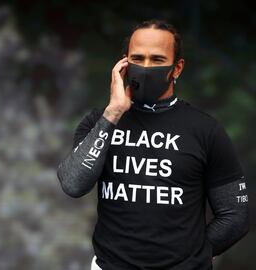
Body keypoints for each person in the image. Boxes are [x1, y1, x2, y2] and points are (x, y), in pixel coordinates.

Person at [56, 19, 249, 270]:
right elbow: (73, 184)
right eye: (137, 58)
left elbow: (235, 214)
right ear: (124, 63)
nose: (146, 67)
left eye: (157, 60)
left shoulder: (206, 130)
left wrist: (193, 258)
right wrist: (113, 114)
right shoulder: (99, 122)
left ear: (177, 68)